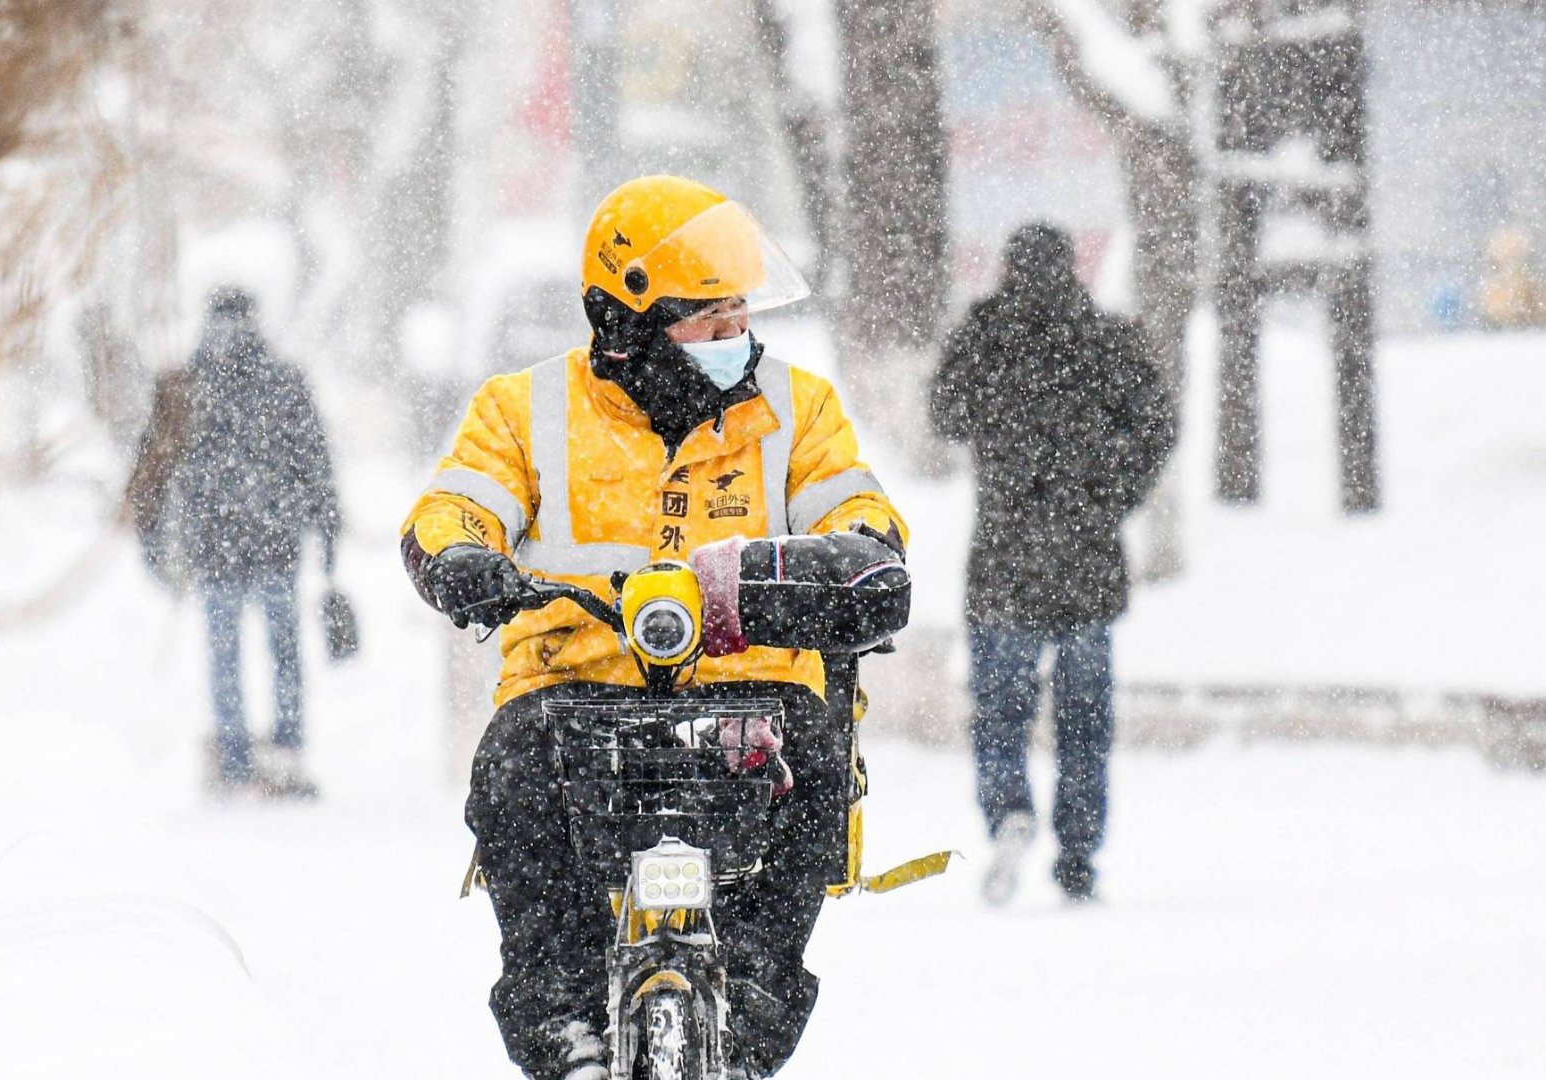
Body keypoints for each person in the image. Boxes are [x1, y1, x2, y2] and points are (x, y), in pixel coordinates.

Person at [400, 176, 910, 1080]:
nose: (734, 342)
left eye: (740, 317)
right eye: (707, 323)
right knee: (513, 773)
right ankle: (563, 1026)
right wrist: (461, 558)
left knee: (822, 763)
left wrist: (841, 564)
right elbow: (453, 507)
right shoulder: (521, 411)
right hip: (570, 702)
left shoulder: (799, 409)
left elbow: (860, 514)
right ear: (627, 322)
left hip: (751, 703)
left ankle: (750, 1011)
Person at [931, 224, 1175, 905]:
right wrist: (1111, 493)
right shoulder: (1105, 339)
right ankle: (1077, 849)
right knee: (1084, 718)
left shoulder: (988, 336)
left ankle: (1008, 807)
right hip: (1085, 558)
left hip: (1004, 557)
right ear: (1072, 270)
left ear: (1007, 269)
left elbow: (943, 414)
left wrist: (984, 351)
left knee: (999, 711)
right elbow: (1156, 425)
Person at [131, 286, 340, 799]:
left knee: (224, 653)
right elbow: (314, 461)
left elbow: (150, 475)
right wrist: (328, 533)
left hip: (214, 542)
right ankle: (287, 755)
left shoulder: (185, 384)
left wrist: (153, 544)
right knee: (283, 651)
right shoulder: (284, 381)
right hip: (276, 539)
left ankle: (234, 759)